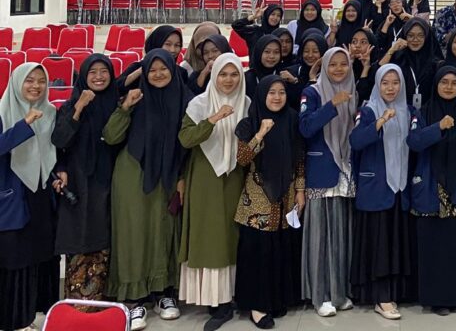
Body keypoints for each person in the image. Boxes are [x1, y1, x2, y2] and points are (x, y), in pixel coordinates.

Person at [103, 49, 192, 330]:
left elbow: (189, 144)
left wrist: (182, 176)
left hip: (169, 176)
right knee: (133, 234)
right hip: (132, 175)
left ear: (173, 70)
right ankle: (135, 299)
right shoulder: (135, 98)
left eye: (163, 68)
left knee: (164, 231)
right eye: (152, 69)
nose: (158, 74)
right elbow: (111, 136)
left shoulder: (186, 100)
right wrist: (125, 108)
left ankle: (164, 293)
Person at [178, 54, 249, 331]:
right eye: (223, 74)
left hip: (236, 176)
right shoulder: (199, 103)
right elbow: (186, 139)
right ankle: (214, 300)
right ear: (214, 75)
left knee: (232, 235)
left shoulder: (247, 103)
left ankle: (233, 295)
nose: (228, 80)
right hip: (206, 176)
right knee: (209, 235)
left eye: (234, 74)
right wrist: (213, 119)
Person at [407, 66, 456, 315]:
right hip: (430, 188)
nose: (449, 87)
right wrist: (438, 126)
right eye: (444, 82)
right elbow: (414, 142)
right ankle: (435, 298)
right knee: (433, 247)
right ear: (436, 84)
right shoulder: (423, 111)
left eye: (454, 83)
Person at [234, 76, 305, 329]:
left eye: (281, 92)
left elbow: (299, 157)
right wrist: (260, 133)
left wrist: (300, 190)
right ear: (262, 94)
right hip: (257, 200)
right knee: (259, 254)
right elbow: (242, 159)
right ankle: (257, 306)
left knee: (279, 251)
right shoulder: (249, 122)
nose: (277, 97)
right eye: (271, 92)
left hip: (285, 197)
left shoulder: (292, 119)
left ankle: (276, 299)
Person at [349, 65, 418, 320]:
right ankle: (381, 296)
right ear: (377, 85)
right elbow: (356, 141)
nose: (390, 88)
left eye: (395, 82)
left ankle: (397, 292)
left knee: (396, 242)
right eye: (385, 83)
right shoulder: (368, 110)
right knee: (379, 244)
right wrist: (379, 122)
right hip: (377, 188)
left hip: (400, 189)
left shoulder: (409, 111)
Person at [52, 55, 120, 304]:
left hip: (110, 178)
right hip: (79, 180)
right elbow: (60, 140)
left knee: (107, 237)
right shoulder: (70, 105)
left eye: (104, 71)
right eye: (93, 72)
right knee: (80, 237)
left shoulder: (117, 104)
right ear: (83, 76)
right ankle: (78, 304)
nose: (99, 77)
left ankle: (105, 300)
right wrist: (79, 107)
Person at [298, 47, 359, 317]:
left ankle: (339, 292)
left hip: (345, 171)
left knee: (342, 236)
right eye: (332, 64)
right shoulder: (312, 92)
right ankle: (320, 295)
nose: (338, 69)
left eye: (343, 64)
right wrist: (331, 105)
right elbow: (305, 128)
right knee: (320, 239)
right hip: (321, 172)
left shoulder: (353, 92)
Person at [0, 64, 59, 331]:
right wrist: (23, 125)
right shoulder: (3, 112)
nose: (36, 86)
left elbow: (54, 150)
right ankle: (13, 320)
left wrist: (60, 171)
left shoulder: (50, 112)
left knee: (40, 255)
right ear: (17, 83)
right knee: (16, 259)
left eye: (41, 81)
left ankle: (33, 314)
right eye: (29, 80)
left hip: (41, 193)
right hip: (12, 196)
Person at [380, 17, 441, 107]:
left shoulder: (436, 63)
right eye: (410, 35)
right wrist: (392, 50)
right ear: (405, 36)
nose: (415, 40)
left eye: (420, 36)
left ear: (427, 37)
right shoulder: (399, 58)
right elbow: (378, 74)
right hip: (400, 110)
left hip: (429, 111)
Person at [117, 25, 187, 93]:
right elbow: (116, 89)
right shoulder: (137, 68)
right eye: (168, 44)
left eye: (177, 45)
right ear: (156, 43)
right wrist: (142, 70)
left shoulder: (180, 73)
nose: (173, 50)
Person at [284, 32, 328, 110]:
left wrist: (313, 77)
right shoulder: (292, 72)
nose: (310, 55)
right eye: (306, 51)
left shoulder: (328, 74)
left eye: (315, 51)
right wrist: (295, 83)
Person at [245, 35, 293, 101]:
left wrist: (294, 82)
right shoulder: (247, 78)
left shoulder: (286, 76)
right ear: (259, 52)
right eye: (267, 52)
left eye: (276, 52)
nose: (271, 56)